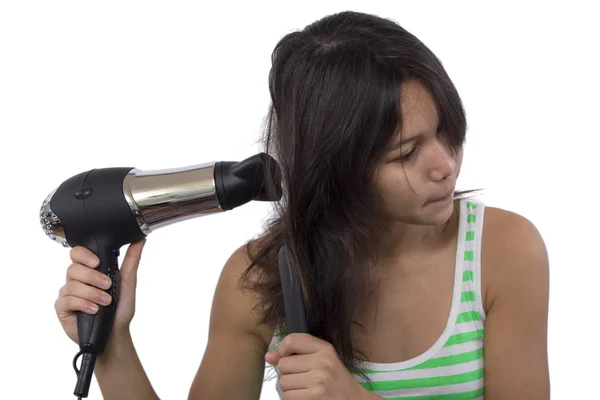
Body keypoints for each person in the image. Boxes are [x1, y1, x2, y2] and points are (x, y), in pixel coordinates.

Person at [54, 10, 550, 400]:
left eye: (445, 132)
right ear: (336, 164)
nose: (444, 165)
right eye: (407, 153)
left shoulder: (501, 252)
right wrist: (113, 346)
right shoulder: (257, 280)